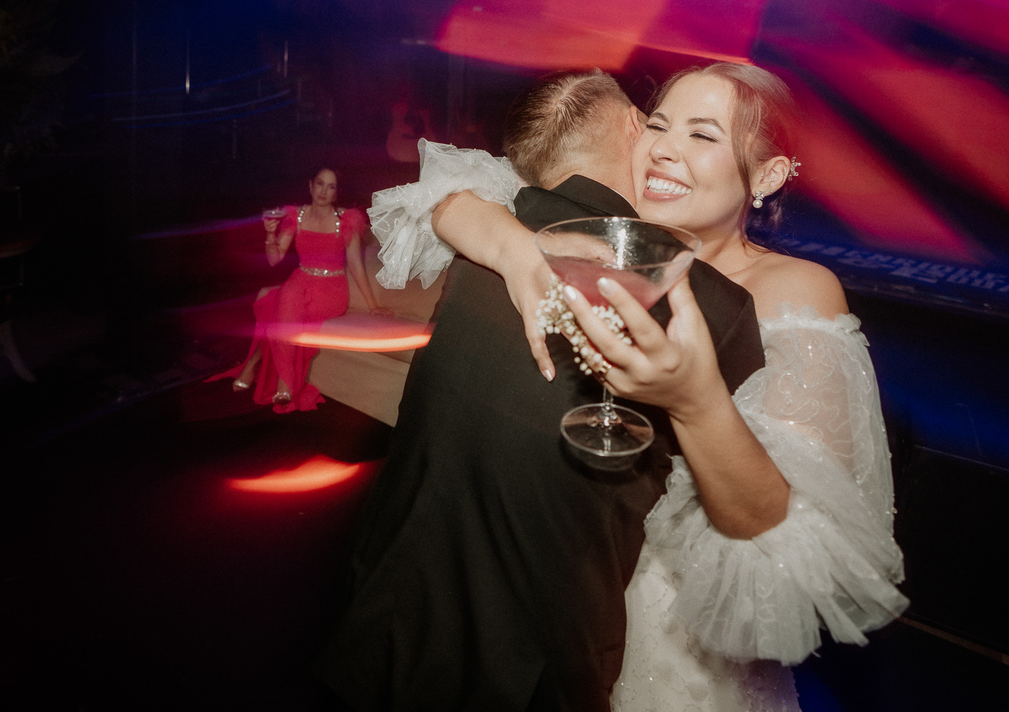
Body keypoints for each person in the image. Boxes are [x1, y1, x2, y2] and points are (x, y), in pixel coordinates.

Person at [357, 63, 909, 711]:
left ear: (767, 176)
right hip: (565, 631)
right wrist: (513, 248)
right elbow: (445, 193)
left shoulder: (795, 289)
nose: (665, 149)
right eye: (658, 125)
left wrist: (695, 401)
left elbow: (780, 536)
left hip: (679, 652)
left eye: (702, 134)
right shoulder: (607, 240)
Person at [314, 70, 766, 711]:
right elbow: (752, 530)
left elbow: (442, 194)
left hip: (382, 620)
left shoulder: (488, 226)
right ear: (633, 127)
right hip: (532, 672)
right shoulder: (714, 306)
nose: (666, 148)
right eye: (658, 125)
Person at [209, 168, 387, 413]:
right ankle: (282, 381)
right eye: (320, 184)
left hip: (330, 291)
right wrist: (270, 234)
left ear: (336, 193)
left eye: (331, 187)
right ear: (310, 185)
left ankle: (254, 366)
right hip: (299, 282)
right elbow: (274, 259)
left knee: (282, 310)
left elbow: (356, 266)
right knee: (287, 298)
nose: (324, 191)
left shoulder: (346, 220)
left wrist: (373, 305)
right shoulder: (297, 216)